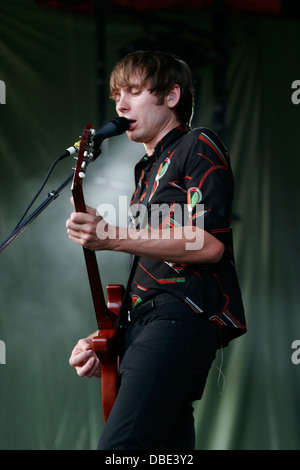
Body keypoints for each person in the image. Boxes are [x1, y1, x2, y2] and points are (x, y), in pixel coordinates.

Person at [66, 50, 246, 450]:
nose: (121, 104)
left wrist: (110, 235)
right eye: (117, 96)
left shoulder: (198, 144)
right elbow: (155, 270)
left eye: (133, 91)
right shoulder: (145, 173)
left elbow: (209, 243)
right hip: (150, 326)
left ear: (171, 96)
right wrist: (109, 340)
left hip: (178, 321)